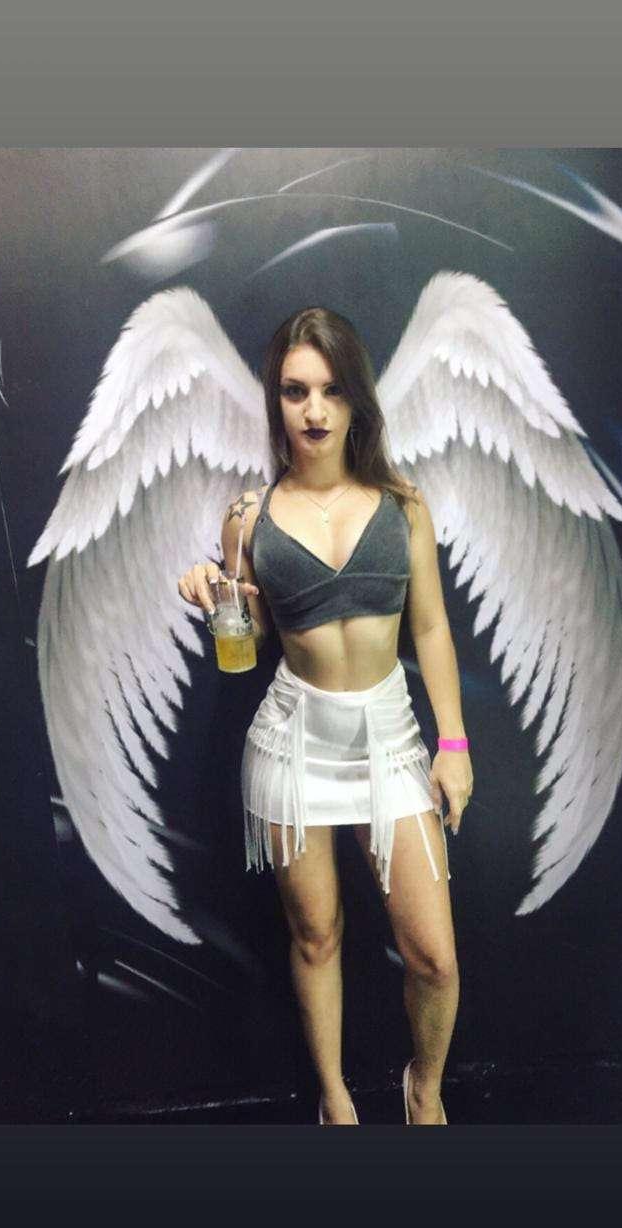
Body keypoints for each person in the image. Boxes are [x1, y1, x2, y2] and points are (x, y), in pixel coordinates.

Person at [177, 306, 473, 1125]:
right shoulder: (248, 516)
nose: (313, 410)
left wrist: (453, 742)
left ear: (355, 399)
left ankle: (424, 1089)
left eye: (331, 390)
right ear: (276, 400)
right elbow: (246, 637)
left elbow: (431, 629)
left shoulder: (403, 505)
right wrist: (213, 593)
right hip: (294, 739)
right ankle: (335, 1101)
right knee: (316, 936)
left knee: (434, 958)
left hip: (388, 738)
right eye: (295, 390)